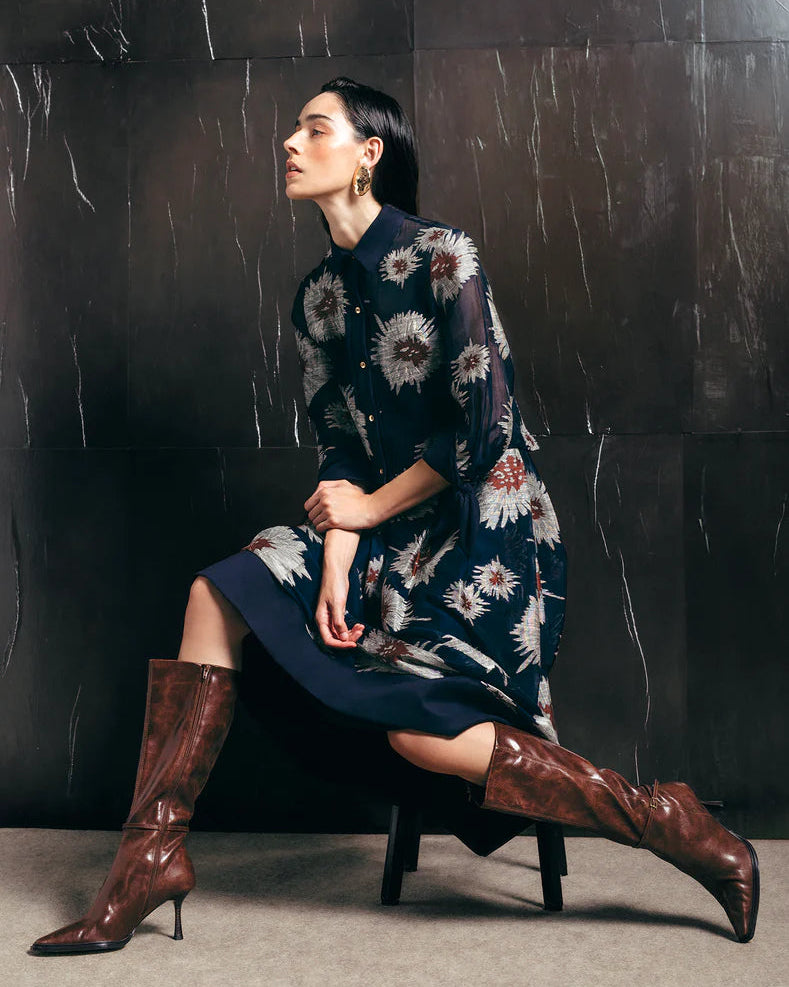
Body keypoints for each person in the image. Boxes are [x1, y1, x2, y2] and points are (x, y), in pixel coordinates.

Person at [31, 76, 758, 956]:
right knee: (215, 593)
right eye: (292, 132)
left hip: (482, 533)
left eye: (313, 129)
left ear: (368, 153)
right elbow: (338, 441)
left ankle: (664, 820)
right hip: (376, 536)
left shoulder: (445, 257)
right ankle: (147, 860)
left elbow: (485, 432)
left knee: (422, 739)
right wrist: (338, 546)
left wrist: (366, 509)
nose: (290, 145)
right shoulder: (317, 299)